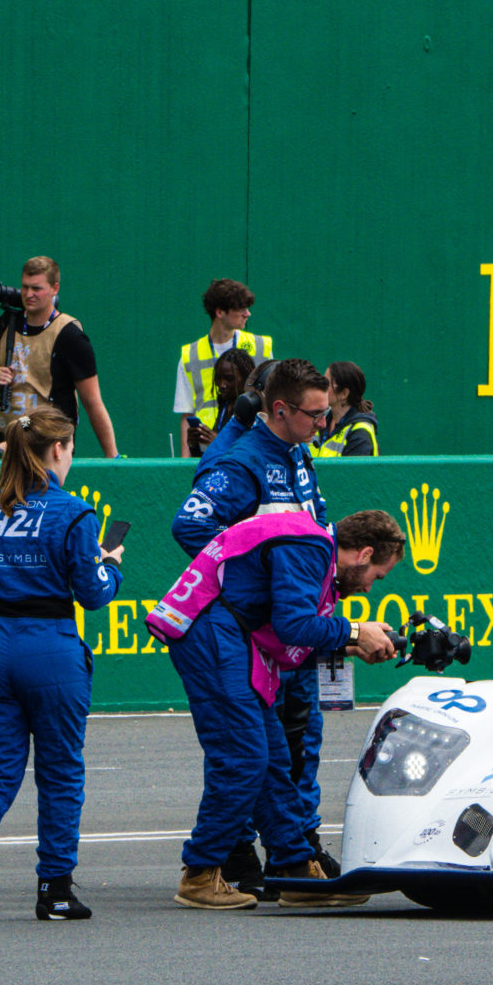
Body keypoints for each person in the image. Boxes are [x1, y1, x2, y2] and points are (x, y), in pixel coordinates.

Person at [0, 406, 120, 924]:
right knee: (59, 773)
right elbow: (92, 593)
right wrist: (112, 566)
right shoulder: (74, 513)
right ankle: (55, 888)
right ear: (58, 449)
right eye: (72, 447)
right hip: (50, 645)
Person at [167, 356, 348, 906]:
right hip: (235, 629)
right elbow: (191, 526)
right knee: (249, 754)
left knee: (279, 753)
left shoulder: (299, 456)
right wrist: (255, 580)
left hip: (276, 632)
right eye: (315, 415)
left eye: (326, 413)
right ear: (279, 409)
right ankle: (207, 868)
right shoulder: (241, 462)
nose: (324, 425)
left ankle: (294, 865)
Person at [155, 508, 402, 897]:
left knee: (272, 758)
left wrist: (351, 644)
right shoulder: (310, 546)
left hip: (225, 629)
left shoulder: (310, 542)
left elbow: (287, 628)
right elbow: (292, 625)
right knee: (245, 758)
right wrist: (354, 629)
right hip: (211, 630)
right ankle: (200, 872)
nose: (371, 587)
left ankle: (293, 869)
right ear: (365, 554)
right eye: (377, 576)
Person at [0, 255, 118, 456]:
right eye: (25, 287)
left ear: (54, 289)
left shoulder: (70, 335)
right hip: (9, 443)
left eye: (37, 288)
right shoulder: (6, 323)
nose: (29, 294)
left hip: (51, 446)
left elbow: (92, 402)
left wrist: (113, 457)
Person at [176, 279, 272, 458]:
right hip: (204, 454)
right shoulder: (189, 355)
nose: (248, 314)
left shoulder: (261, 347)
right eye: (241, 309)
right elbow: (187, 415)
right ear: (220, 312)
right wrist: (185, 463)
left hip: (248, 451)